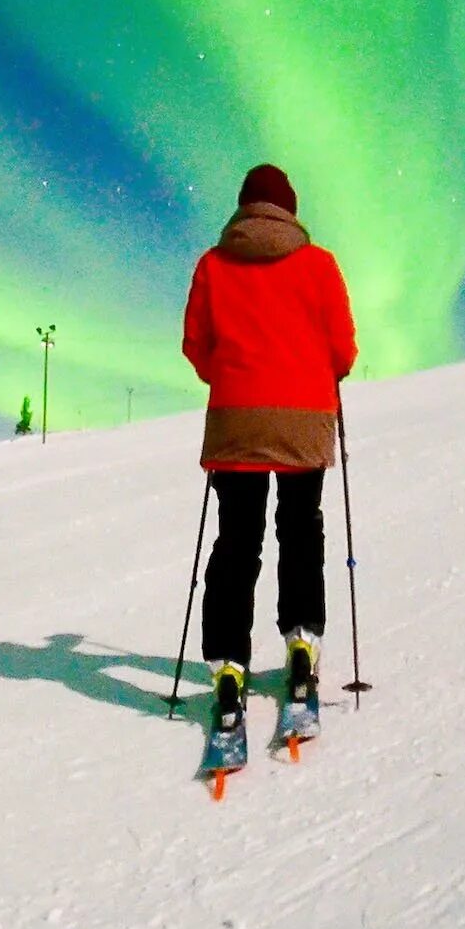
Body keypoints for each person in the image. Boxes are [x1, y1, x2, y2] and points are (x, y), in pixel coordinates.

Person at [181, 164, 357, 733]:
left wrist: (231, 378)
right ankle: (303, 643)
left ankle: (229, 663)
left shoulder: (212, 264)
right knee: (301, 529)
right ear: (289, 208)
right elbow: (344, 352)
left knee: (237, 540)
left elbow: (196, 346)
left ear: (243, 208)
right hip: (304, 420)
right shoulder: (319, 264)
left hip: (236, 420)